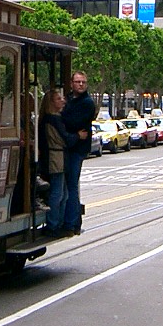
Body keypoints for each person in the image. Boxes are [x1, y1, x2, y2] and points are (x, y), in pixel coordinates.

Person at [38, 88, 80, 234]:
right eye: (58, 99)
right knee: (58, 193)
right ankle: (53, 224)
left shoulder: (51, 118)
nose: (63, 101)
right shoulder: (53, 119)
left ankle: (57, 222)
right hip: (56, 159)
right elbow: (66, 139)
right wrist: (77, 136)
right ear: (51, 103)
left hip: (58, 158)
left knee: (63, 193)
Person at [60, 70, 95, 234]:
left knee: (72, 185)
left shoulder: (87, 103)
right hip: (67, 146)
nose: (81, 85)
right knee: (66, 185)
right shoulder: (67, 99)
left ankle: (72, 223)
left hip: (77, 149)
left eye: (83, 82)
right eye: (78, 82)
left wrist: (62, 116)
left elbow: (73, 122)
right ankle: (69, 220)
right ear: (71, 83)